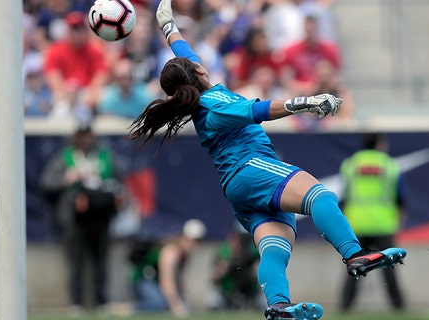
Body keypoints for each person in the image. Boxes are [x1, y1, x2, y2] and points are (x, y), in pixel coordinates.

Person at [127, 1, 408, 318]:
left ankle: (279, 306)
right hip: (251, 167)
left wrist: (168, 27)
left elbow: (184, 55)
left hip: (238, 188)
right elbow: (258, 110)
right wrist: (307, 102)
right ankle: (354, 254)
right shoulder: (213, 101)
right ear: (200, 71)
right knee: (320, 195)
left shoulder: (199, 95)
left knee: (275, 248)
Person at [40, 124, 123, 314]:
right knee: (76, 261)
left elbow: (120, 182)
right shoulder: (65, 157)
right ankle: (76, 302)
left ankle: (101, 300)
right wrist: (66, 179)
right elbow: (47, 181)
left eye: (88, 135)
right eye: (82, 135)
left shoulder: (105, 156)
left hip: (101, 216)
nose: (85, 139)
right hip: (75, 218)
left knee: (101, 261)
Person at [339, 133, 406, 312]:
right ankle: (398, 307)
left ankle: (345, 307)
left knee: (354, 267)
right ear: (379, 144)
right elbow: (399, 196)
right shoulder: (389, 164)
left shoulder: (350, 164)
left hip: (356, 223)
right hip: (383, 223)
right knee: (389, 267)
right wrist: (400, 218)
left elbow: (344, 195)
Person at [129, 219, 206, 317]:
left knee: (176, 305)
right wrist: (176, 305)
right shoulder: (171, 252)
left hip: (155, 283)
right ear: (183, 237)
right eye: (192, 240)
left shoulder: (185, 255)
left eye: (198, 241)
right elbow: (166, 281)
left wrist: (185, 301)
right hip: (142, 279)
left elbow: (182, 281)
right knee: (160, 305)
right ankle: (127, 309)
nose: (194, 244)